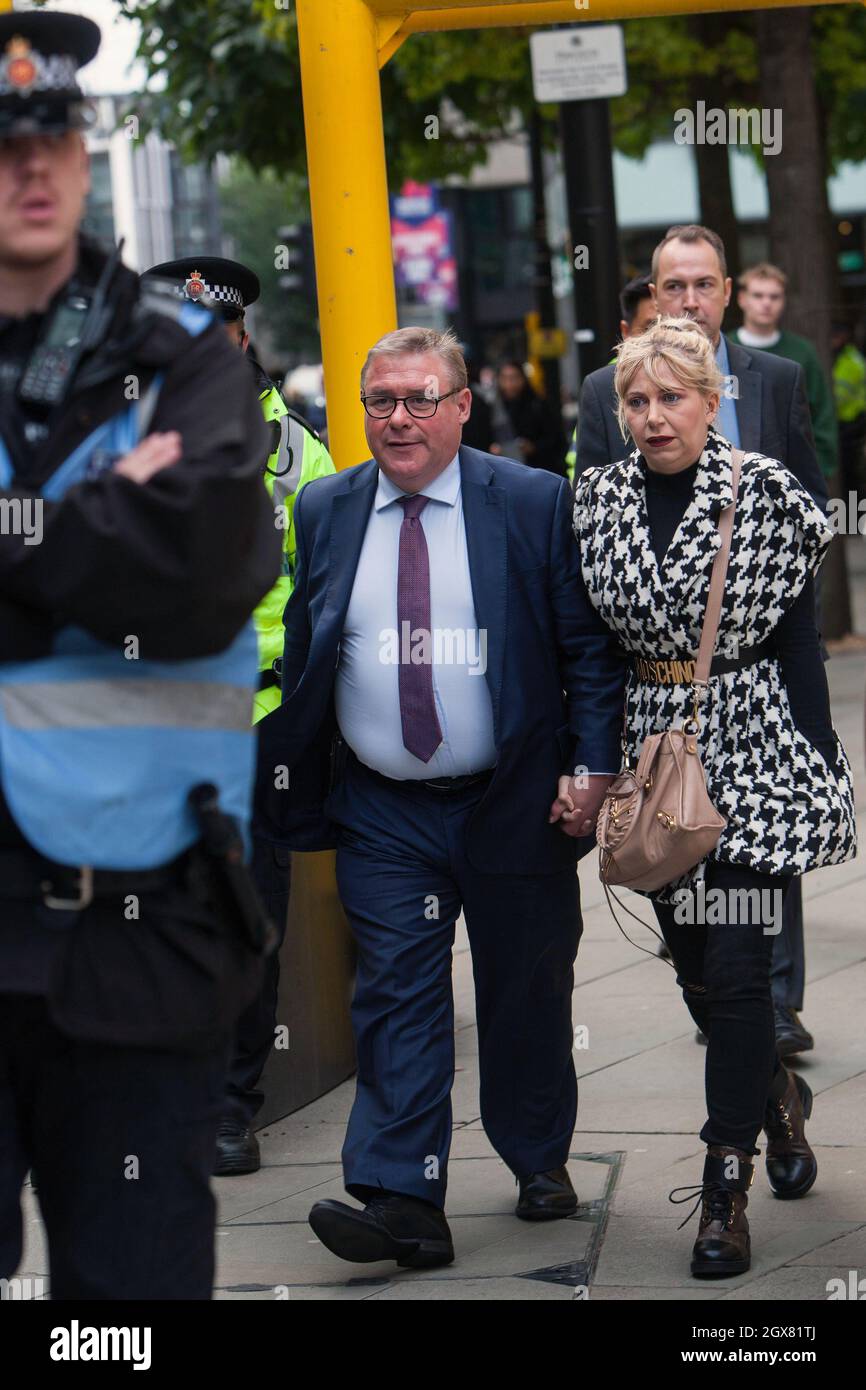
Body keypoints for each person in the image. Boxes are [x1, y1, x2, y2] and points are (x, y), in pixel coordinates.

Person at [0, 11, 281, 1299]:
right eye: (2, 146)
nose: (31, 167)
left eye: (52, 133)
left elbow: (208, 560)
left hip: (135, 924)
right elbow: (131, 556)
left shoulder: (178, 352)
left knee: (127, 1314)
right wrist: (90, 525)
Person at [256, 326, 627, 1269]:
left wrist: (591, 768)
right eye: (380, 400)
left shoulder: (534, 501)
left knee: (527, 988)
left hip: (513, 798)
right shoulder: (329, 506)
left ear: (463, 406)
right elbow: (309, 639)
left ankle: (538, 1154)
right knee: (395, 998)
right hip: (382, 806)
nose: (399, 418)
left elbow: (585, 647)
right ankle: (400, 1196)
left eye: (422, 397)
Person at [573, 317, 856, 1279]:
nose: (654, 418)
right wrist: (590, 765)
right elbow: (596, 650)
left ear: (713, 399)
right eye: (638, 401)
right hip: (653, 763)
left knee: (739, 977)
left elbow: (795, 641)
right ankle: (775, 1095)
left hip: (753, 748)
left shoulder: (764, 493)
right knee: (696, 973)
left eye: (673, 398)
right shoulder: (598, 500)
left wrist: (820, 765)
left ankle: (723, 1185)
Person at [574, 224, 828, 1061]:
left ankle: (770, 1014)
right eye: (670, 285)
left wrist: (807, 714)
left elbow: (807, 548)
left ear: (726, 290)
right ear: (652, 293)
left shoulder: (780, 379)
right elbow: (594, 568)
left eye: (702, 284)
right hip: (656, 703)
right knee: (691, 929)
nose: (687, 298)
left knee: (754, 903)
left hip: (751, 688)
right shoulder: (603, 396)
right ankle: (753, 1055)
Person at [145, 255, 336, 1175]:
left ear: (240, 339)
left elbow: (331, 597)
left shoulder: (302, 452)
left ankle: (230, 1105)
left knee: (246, 914)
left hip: (257, 718)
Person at [730, 262, 838, 483]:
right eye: (758, 295)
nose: (766, 303)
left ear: (783, 301)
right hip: (734, 474)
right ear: (742, 299)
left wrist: (820, 468)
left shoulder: (802, 351)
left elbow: (822, 412)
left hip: (794, 474)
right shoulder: (724, 348)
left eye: (774, 296)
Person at [565, 272, 656, 484]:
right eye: (649, 328)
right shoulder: (602, 388)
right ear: (626, 332)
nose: (659, 338)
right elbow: (583, 478)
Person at [490, 359, 567, 475]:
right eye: (504, 378)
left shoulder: (538, 406)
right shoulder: (494, 408)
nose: (509, 384)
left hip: (538, 471)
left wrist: (533, 447)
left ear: (523, 379)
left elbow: (556, 440)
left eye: (514, 378)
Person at [831, 321, 866, 499]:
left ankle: (853, 519)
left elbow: (840, 397)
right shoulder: (840, 357)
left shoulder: (850, 361)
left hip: (851, 425)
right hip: (843, 424)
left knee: (850, 475)